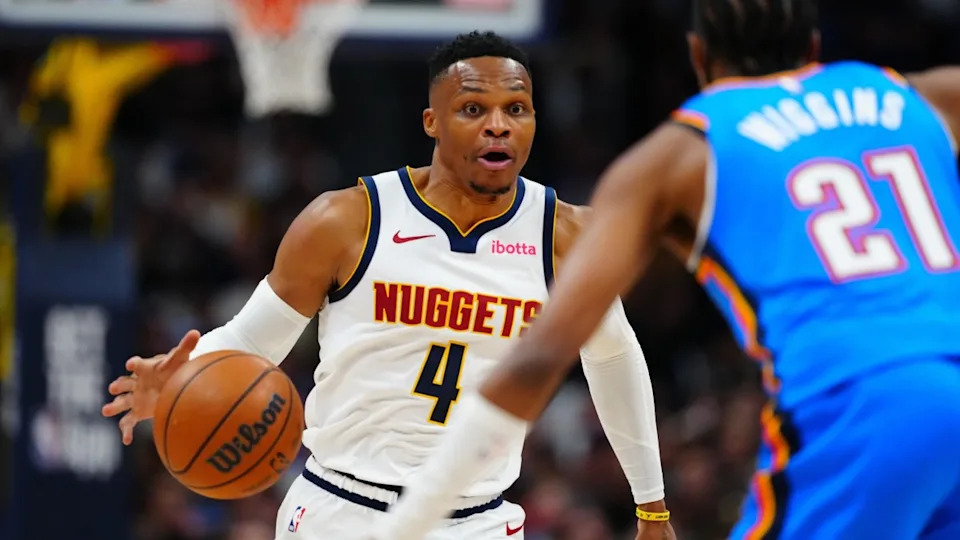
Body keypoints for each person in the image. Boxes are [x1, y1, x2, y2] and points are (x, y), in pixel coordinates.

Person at [373, 1, 960, 539]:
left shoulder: (679, 153)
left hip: (863, 405)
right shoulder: (922, 95)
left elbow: (537, 359)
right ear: (813, 47)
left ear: (698, 56)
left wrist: (406, 527)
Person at [101, 31, 672, 540]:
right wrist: (181, 383)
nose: (498, 124)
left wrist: (651, 507)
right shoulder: (345, 220)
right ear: (432, 122)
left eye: (515, 109)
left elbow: (614, 355)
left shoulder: (564, 236)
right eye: (473, 108)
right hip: (342, 511)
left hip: (479, 519)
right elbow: (252, 344)